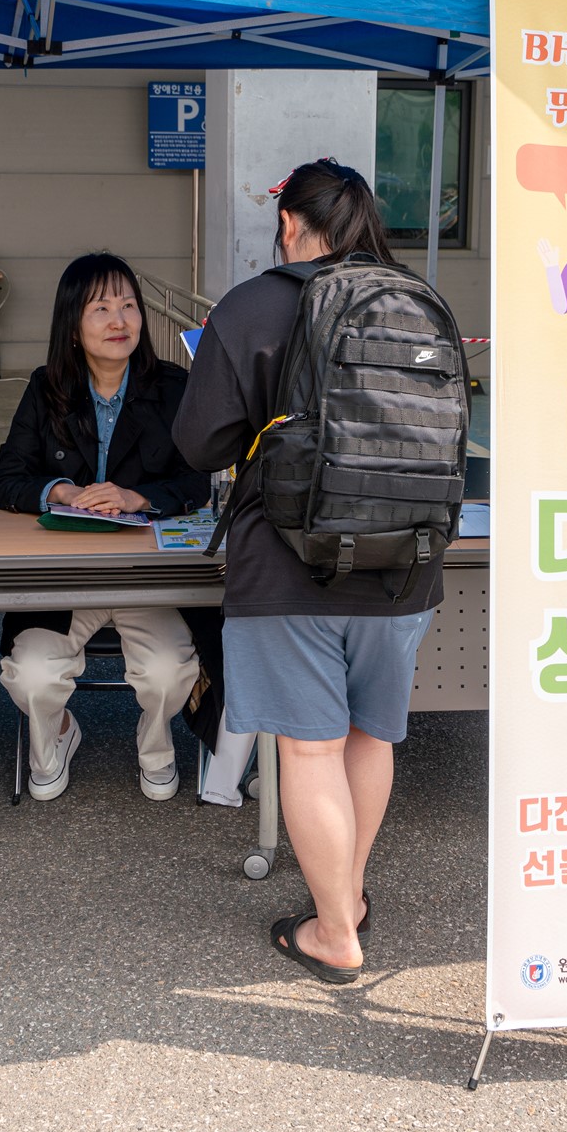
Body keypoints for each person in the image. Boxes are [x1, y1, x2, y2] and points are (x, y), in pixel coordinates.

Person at [173, 158, 445, 986]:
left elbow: (200, 443)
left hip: (289, 563)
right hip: (405, 563)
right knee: (371, 735)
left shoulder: (253, 304)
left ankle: (334, 931)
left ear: (289, 222)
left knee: (311, 750)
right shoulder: (418, 299)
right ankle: (347, 897)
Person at [0, 252, 207, 802]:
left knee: (167, 674)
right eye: (101, 308)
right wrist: (60, 491)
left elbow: (195, 483)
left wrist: (138, 497)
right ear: (72, 325)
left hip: (145, 577)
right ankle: (57, 735)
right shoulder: (45, 388)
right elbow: (6, 482)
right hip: (63, 577)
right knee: (33, 675)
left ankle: (155, 746)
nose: (120, 320)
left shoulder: (174, 387)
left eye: (129, 306)